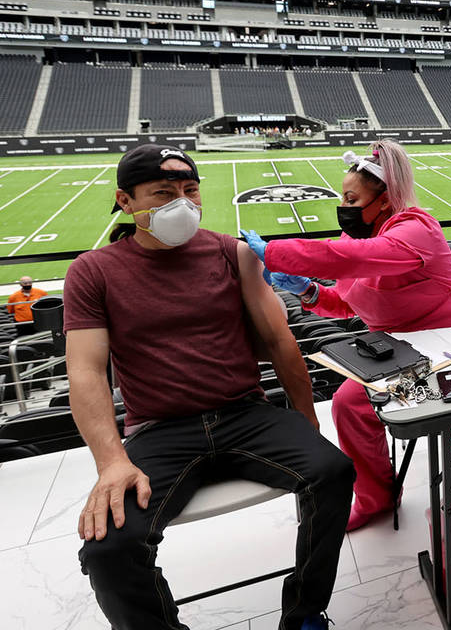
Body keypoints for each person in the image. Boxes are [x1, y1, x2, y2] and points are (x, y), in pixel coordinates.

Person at [64, 144, 353, 630]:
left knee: (333, 470)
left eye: (190, 190)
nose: (182, 202)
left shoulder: (231, 252)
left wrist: (306, 416)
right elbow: (86, 372)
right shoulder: (93, 272)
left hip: (245, 413)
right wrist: (112, 462)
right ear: (126, 200)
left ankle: (304, 611)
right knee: (108, 546)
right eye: (163, 192)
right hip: (160, 430)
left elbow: (278, 338)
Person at [240, 141, 451, 544]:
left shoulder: (415, 229)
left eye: (352, 199)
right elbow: (348, 298)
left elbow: (351, 260)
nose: (344, 207)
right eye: (342, 198)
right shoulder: (362, 239)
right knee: (349, 404)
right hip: (413, 355)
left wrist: (278, 254)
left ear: (384, 201)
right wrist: (309, 291)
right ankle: (376, 498)